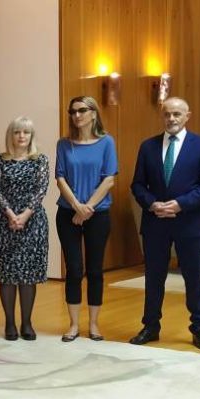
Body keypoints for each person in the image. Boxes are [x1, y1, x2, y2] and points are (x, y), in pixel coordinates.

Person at [129, 97, 200, 351]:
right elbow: (137, 184)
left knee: (194, 278)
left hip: (189, 223)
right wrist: (152, 204)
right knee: (153, 278)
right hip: (155, 222)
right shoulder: (148, 146)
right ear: (162, 115)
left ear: (187, 116)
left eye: (177, 114)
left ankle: (199, 327)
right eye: (167, 114)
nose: (171, 119)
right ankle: (150, 326)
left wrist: (181, 204)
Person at [54, 95, 117, 342]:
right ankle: (73, 325)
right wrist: (76, 207)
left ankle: (93, 324)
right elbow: (60, 178)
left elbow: (109, 179)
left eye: (81, 110)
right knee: (74, 269)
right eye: (72, 111)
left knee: (94, 269)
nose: (76, 115)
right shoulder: (63, 144)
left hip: (97, 214)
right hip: (68, 213)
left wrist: (87, 208)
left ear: (93, 113)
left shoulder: (107, 142)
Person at [0, 117, 49, 341]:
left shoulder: (40, 160)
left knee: (28, 274)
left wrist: (24, 215)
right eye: (17, 132)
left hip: (33, 223)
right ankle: (10, 323)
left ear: (31, 136)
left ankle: (27, 323)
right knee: (7, 273)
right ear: (10, 135)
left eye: (26, 132)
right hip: (3, 222)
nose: (21, 136)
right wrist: (11, 215)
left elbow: (41, 190)